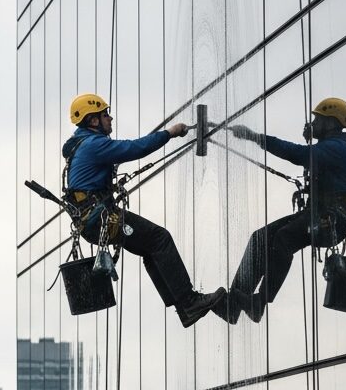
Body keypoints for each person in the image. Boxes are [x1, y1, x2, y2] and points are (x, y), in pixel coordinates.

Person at [62, 93, 227, 328]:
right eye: (105, 114)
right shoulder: (93, 145)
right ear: (93, 121)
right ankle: (188, 303)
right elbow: (136, 148)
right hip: (101, 219)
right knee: (160, 239)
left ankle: (185, 306)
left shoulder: (82, 145)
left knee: (151, 248)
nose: (110, 118)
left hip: (95, 219)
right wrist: (169, 133)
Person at [219, 97, 346, 324]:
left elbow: (298, 155)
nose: (312, 123)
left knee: (284, 239)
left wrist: (255, 137)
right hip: (319, 214)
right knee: (260, 238)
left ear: (331, 123)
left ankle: (260, 302)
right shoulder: (330, 147)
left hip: (332, 219)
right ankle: (233, 305)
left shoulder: (337, 148)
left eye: (317, 119)